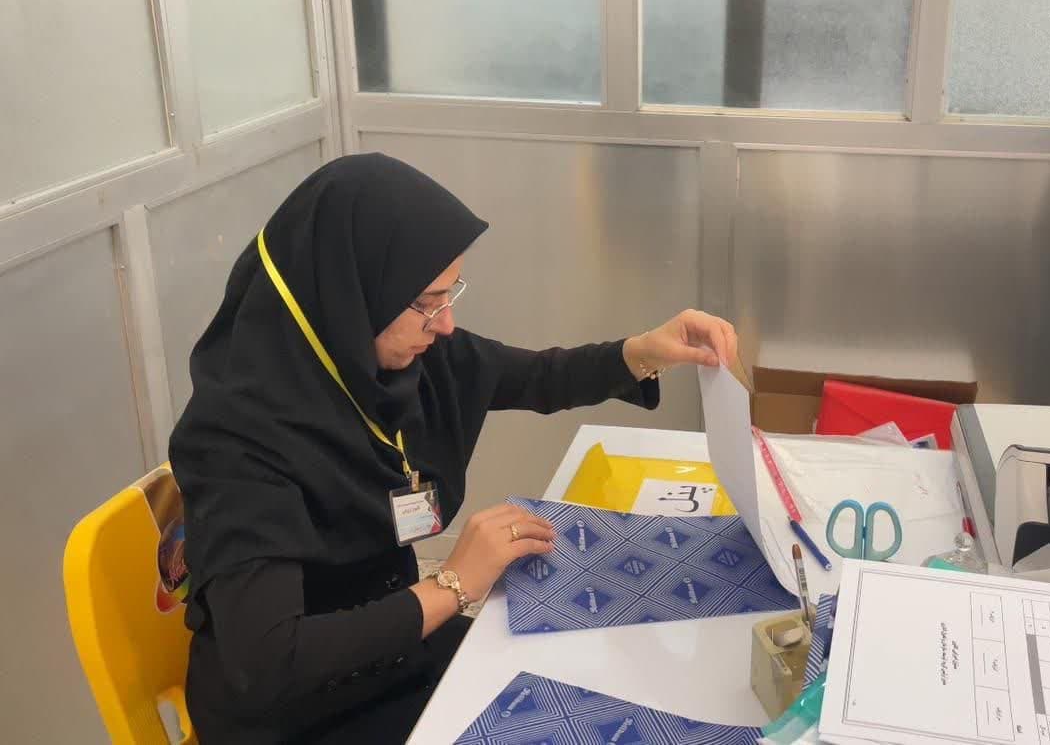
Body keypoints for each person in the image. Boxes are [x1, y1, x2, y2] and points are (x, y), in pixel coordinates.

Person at [168, 153, 738, 744]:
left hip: (392, 654)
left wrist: (645, 350)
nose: (444, 324)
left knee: (584, 683)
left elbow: (538, 376)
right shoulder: (239, 441)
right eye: (426, 302)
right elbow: (269, 662)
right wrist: (454, 584)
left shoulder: (389, 360)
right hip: (298, 712)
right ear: (350, 293)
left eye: (449, 294)